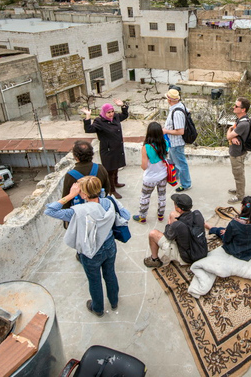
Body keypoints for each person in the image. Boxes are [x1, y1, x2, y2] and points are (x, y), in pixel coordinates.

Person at [44, 176, 119, 317]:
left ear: (84, 194)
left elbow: (50, 211)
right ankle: (114, 301)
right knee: (110, 274)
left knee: (94, 280)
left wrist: (70, 195)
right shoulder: (108, 203)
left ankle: (98, 308)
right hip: (109, 245)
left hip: (91, 251)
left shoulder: (77, 211)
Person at [144, 193, 207, 268]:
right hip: (202, 250)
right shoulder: (197, 214)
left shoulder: (177, 225)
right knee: (173, 214)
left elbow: (168, 236)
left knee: (153, 234)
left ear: (179, 209)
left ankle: (154, 260)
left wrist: (169, 224)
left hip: (189, 257)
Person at [83, 100, 129, 199]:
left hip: (117, 148)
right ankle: (111, 190)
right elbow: (89, 129)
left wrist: (123, 106)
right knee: (110, 171)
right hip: (108, 150)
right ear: (104, 113)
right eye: (108, 112)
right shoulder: (99, 122)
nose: (111, 114)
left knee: (116, 167)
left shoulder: (116, 117)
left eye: (112, 111)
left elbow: (125, 115)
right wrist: (88, 117)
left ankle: (116, 182)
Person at [207, 196, 251, 261]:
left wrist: (226, 232)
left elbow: (226, 240)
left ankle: (210, 227)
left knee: (220, 230)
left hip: (238, 251)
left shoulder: (234, 223)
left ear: (242, 207)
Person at [133, 122, 169, 223]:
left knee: (145, 196)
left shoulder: (146, 147)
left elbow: (144, 167)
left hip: (150, 178)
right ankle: (161, 215)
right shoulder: (165, 143)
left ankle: (142, 216)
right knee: (162, 195)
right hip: (162, 175)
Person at [163, 89, 192, 192]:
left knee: (180, 163)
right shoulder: (178, 107)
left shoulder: (177, 113)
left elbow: (180, 131)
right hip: (173, 142)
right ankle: (176, 177)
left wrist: (166, 131)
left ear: (169, 100)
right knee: (176, 162)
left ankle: (185, 184)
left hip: (176, 142)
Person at [226, 97, 251, 205]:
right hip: (237, 152)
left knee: (238, 175)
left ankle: (240, 196)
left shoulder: (243, 124)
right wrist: (232, 136)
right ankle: (239, 190)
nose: (234, 107)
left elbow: (228, 135)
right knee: (238, 174)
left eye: (236, 106)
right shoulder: (240, 120)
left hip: (237, 153)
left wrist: (230, 134)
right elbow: (231, 133)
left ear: (243, 109)